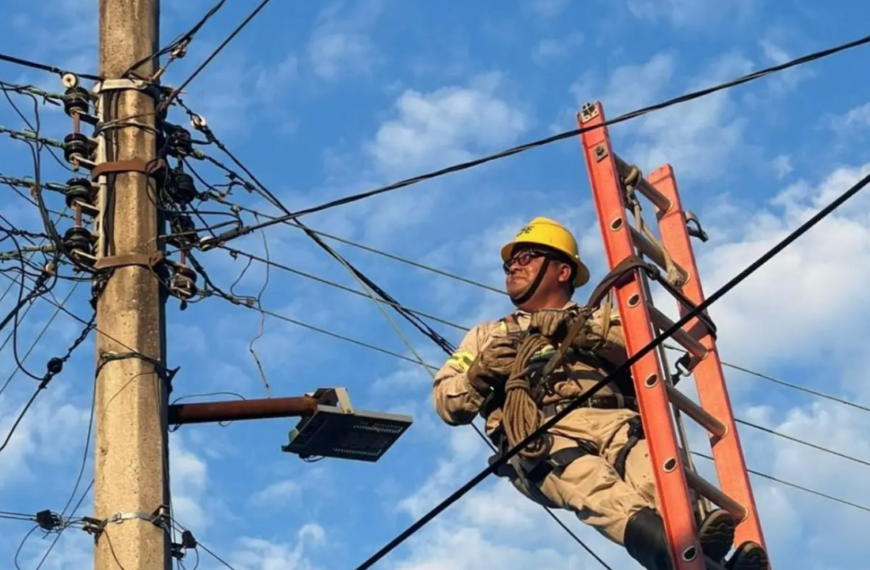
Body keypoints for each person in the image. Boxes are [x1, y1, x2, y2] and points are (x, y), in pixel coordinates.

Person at [432, 217, 769, 570]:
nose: (513, 267)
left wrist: (579, 331)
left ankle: (709, 557)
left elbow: (640, 350)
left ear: (562, 271)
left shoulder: (601, 317)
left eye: (527, 257)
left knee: (660, 477)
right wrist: (480, 372)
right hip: (541, 433)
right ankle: (682, 559)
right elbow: (446, 402)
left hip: (615, 419)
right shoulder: (487, 337)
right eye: (510, 262)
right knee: (593, 484)